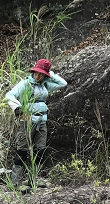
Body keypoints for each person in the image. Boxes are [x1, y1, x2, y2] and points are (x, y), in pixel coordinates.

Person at [5, 58, 67, 188]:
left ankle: (33, 178)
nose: (37, 76)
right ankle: (16, 183)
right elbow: (10, 95)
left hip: (42, 122)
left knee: (40, 151)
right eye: (36, 73)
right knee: (22, 151)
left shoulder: (45, 85)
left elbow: (63, 83)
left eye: (41, 74)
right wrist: (18, 109)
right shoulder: (25, 84)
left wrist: (50, 74)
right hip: (27, 122)